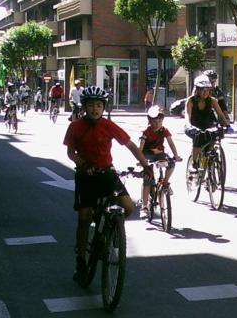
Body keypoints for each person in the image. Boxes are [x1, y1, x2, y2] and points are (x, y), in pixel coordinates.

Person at [64, 86, 150, 284]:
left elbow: (130, 145)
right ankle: (81, 261)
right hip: (86, 176)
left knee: (128, 207)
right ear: (84, 107)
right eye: (91, 105)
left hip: (107, 173)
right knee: (84, 218)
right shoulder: (75, 126)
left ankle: (107, 233)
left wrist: (146, 165)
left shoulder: (108, 125)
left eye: (99, 105)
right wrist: (83, 164)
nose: (95, 109)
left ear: (103, 107)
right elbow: (70, 152)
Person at [138, 105, 182, 218]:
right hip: (147, 155)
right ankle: (144, 207)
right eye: (154, 121)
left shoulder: (164, 130)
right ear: (149, 121)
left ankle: (165, 183)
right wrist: (140, 160)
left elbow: (171, 143)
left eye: (159, 121)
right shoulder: (146, 132)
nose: (157, 124)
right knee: (148, 179)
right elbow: (140, 147)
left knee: (171, 163)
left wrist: (176, 155)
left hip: (159, 154)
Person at [185, 75, 231, 171]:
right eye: (203, 90)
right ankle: (194, 163)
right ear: (197, 90)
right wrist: (189, 125)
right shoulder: (190, 101)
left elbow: (220, 114)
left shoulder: (212, 100)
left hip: (207, 125)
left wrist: (227, 125)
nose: (205, 92)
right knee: (198, 137)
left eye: (208, 90)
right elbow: (187, 116)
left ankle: (208, 162)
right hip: (193, 126)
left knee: (215, 135)